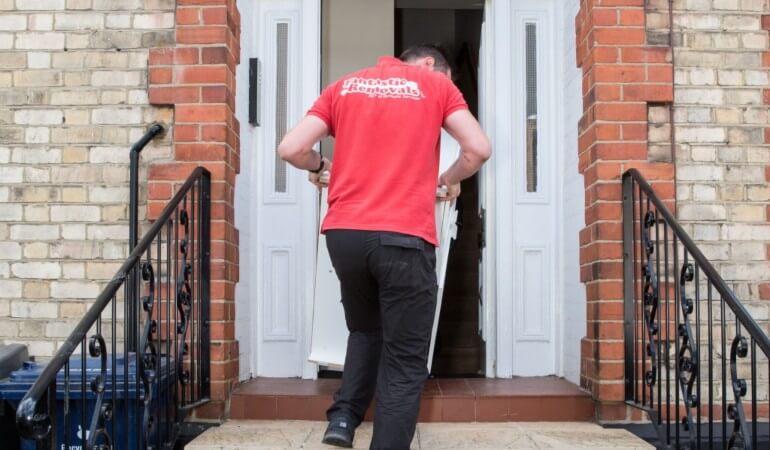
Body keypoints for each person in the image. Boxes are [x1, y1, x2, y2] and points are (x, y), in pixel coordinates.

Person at [278, 44, 491, 450]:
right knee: (405, 359)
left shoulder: (343, 86)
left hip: (345, 236)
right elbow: (478, 149)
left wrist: (323, 167)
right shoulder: (435, 86)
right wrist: (446, 178)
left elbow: (291, 149)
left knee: (365, 328)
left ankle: (343, 418)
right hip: (404, 237)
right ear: (430, 65)